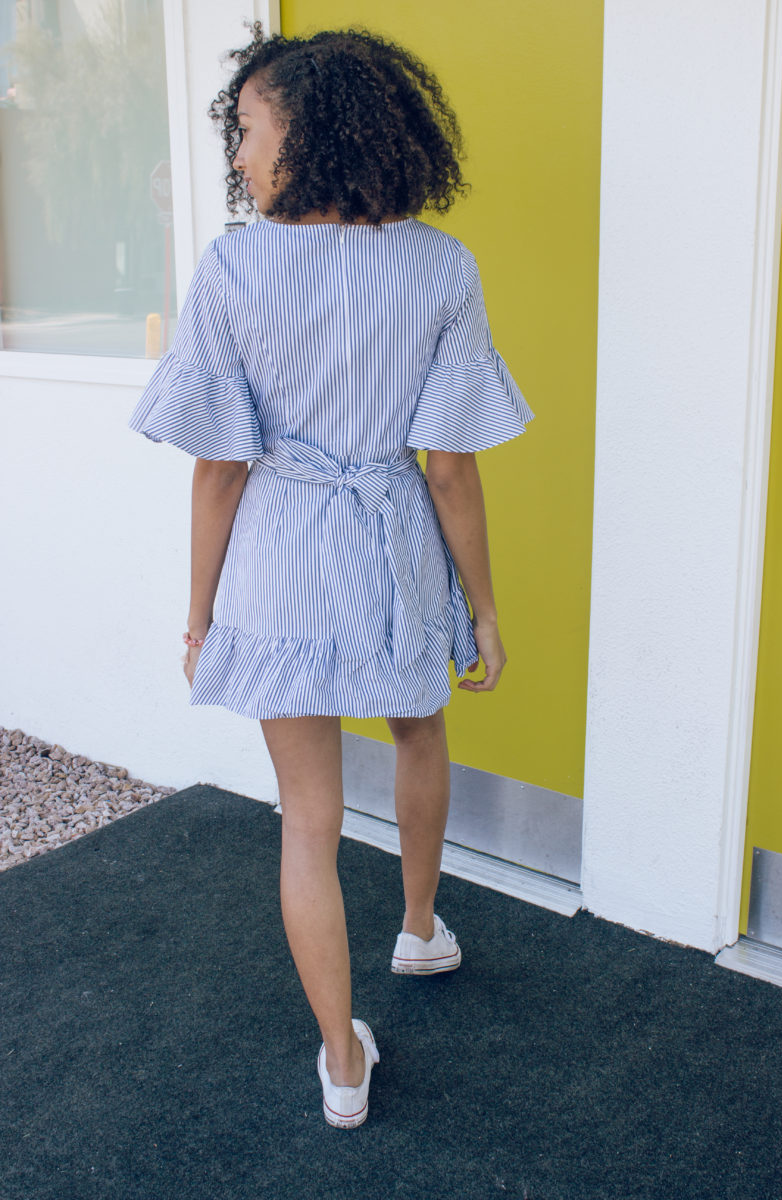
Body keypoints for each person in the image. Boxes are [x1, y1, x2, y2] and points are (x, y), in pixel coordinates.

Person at [128, 24, 533, 1130]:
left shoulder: (233, 267)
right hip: (391, 548)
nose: (239, 155)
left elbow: (221, 467)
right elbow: (446, 465)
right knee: (418, 730)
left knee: (306, 818)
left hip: (278, 558)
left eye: (249, 129)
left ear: (304, 132)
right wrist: (482, 607)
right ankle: (416, 930)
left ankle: (340, 1064)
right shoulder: (441, 266)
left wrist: (202, 612)